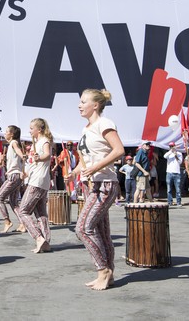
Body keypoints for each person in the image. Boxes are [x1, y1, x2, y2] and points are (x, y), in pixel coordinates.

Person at [68, 89, 124, 290]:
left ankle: (103, 270)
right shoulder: (86, 128)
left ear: (96, 105)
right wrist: (76, 171)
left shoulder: (105, 124)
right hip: (93, 184)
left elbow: (119, 150)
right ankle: (109, 273)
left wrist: (96, 167)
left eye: (83, 101)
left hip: (105, 184)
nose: (79, 105)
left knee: (83, 228)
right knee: (101, 230)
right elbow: (86, 159)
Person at [17, 118, 53, 254]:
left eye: (32, 128)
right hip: (38, 179)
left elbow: (47, 155)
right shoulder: (36, 143)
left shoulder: (44, 140)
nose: (30, 130)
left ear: (39, 129)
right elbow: (34, 162)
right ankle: (46, 241)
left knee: (23, 211)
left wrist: (40, 157)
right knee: (41, 212)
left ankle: (38, 237)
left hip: (37, 181)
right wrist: (26, 172)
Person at [0, 125, 25, 233]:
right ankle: (23, 223)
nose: (5, 133)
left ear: (12, 134)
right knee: (13, 202)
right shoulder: (11, 144)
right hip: (16, 175)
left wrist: (23, 156)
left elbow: (18, 151)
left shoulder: (13, 142)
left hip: (13, 175)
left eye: (6, 131)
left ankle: (7, 221)